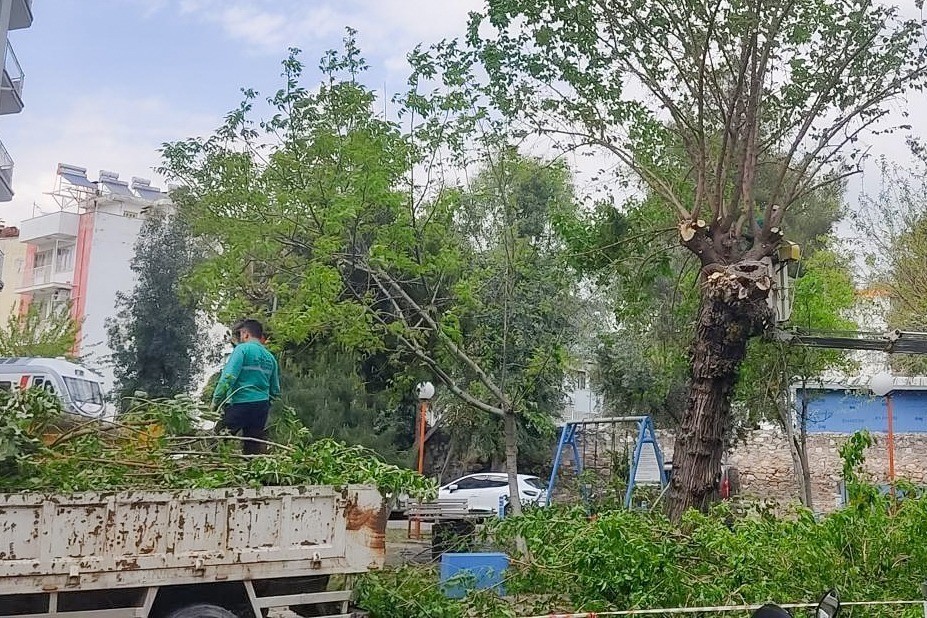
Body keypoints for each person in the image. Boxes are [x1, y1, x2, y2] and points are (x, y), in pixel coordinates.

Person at [212, 319, 280, 455]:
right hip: (261, 406)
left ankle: (212, 466)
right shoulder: (270, 357)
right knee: (252, 447)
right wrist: (265, 402)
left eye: (241, 335)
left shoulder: (242, 350)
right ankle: (251, 473)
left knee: (218, 440)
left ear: (245, 334)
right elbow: (275, 390)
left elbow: (228, 378)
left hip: (240, 403)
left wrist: (216, 400)